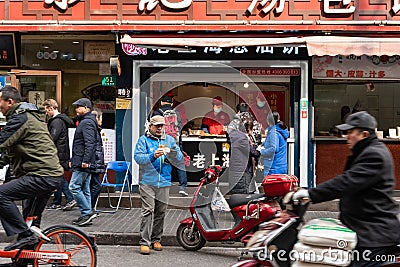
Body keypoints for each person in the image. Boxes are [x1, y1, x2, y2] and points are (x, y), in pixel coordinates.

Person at [293, 111, 400, 267]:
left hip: (373, 234)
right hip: (363, 228)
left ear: (364, 134)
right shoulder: (367, 151)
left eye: (350, 132)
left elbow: (346, 182)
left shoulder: (374, 155)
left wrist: (310, 193)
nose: (346, 136)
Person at [0, 86, 64, 251]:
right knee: (28, 220)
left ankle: (26, 236)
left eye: (0, 102)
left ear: (10, 101)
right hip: (49, 175)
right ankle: (23, 257)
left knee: (1, 195)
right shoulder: (28, 117)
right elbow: (10, 153)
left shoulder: (19, 119)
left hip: (42, 175)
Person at [134, 115, 183, 255]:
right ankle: (144, 242)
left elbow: (179, 157)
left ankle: (156, 239)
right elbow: (138, 158)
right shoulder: (143, 140)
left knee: (161, 212)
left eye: (162, 126)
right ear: (151, 126)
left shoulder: (169, 140)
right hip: (147, 181)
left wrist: (172, 153)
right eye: (157, 126)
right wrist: (153, 155)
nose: (160, 128)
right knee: (148, 210)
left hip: (165, 181)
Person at [42, 99, 77, 211]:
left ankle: (69, 198)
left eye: (47, 110)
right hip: (61, 152)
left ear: (51, 108)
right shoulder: (60, 120)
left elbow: (52, 138)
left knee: (58, 177)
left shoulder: (56, 122)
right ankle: (57, 201)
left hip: (57, 154)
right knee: (57, 176)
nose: (46, 113)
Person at [69, 98, 98, 226]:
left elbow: (89, 143)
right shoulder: (87, 121)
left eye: (79, 107)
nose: (76, 109)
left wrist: (85, 160)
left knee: (74, 187)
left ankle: (87, 212)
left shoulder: (86, 122)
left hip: (83, 161)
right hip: (82, 160)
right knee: (85, 188)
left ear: (86, 108)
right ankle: (86, 215)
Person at [152, 95, 188, 196]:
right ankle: (182, 188)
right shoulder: (176, 112)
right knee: (180, 164)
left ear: (162, 102)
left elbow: (153, 128)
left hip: (162, 142)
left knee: (161, 162)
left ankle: (161, 186)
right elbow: (180, 126)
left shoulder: (157, 112)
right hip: (175, 142)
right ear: (171, 103)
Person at [227, 111, 260, 194]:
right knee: (243, 196)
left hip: (234, 171)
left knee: (235, 195)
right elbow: (253, 152)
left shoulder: (234, 135)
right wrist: (259, 151)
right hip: (242, 172)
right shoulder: (242, 139)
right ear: (248, 129)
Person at [90, 109, 105, 210]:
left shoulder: (95, 130)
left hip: (94, 162)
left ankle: (89, 208)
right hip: (93, 162)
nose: (102, 121)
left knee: (92, 185)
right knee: (97, 186)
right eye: (101, 118)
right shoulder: (94, 131)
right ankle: (89, 208)